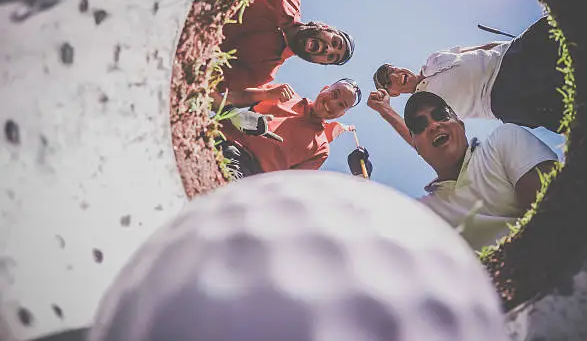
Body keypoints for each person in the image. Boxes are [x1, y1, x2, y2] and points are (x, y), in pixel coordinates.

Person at [351, 91, 558, 249]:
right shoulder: (427, 213)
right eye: (420, 125)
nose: (433, 126)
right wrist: (361, 182)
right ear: (417, 147)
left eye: (441, 115)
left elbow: (556, 217)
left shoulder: (504, 141)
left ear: (460, 124)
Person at [369, 16, 564, 136]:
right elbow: (418, 140)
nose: (394, 75)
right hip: (501, 99)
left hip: (509, 55)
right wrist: (384, 109)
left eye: (391, 69)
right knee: (565, 108)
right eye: (388, 81)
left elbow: (480, 48)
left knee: (557, 26)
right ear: (393, 94)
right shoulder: (421, 107)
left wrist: (512, 44)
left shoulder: (433, 59)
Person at [214, 0, 355, 107]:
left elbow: (211, 81)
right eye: (335, 42)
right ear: (326, 27)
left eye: (330, 57)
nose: (328, 49)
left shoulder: (263, 72)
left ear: (318, 62)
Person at [217, 78, 362, 178]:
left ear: (341, 114)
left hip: (247, 173)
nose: (333, 103)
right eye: (334, 94)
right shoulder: (283, 93)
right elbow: (228, 98)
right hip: (221, 137)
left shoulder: (321, 148)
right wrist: (266, 94)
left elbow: (289, 182)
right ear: (325, 89)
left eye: (341, 105)